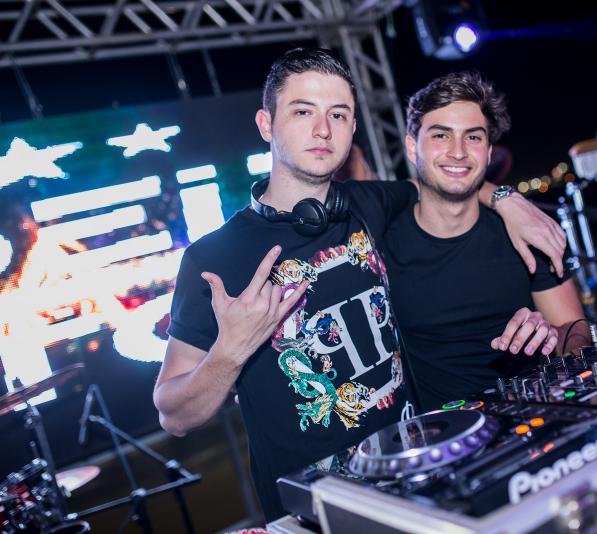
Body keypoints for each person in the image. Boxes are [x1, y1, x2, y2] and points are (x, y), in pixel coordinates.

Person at [153, 48, 566, 521]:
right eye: (303, 112)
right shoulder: (213, 258)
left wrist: (509, 199)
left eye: (338, 114)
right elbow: (173, 415)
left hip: (416, 480)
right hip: (316, 509)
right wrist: (230, 352)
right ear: (267, 124)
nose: (322, 130)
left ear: (352, 130)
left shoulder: (368, 203)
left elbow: (444, 181)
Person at [382, 71, 589, 411]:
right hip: (442, 432)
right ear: (411, 147)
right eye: (441, 135)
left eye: (473, 137)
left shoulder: (527, 234)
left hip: (536, 416)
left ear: (489, 152)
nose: (458, 152)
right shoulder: (381, 241)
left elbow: (573, 327)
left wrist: (555, 336)